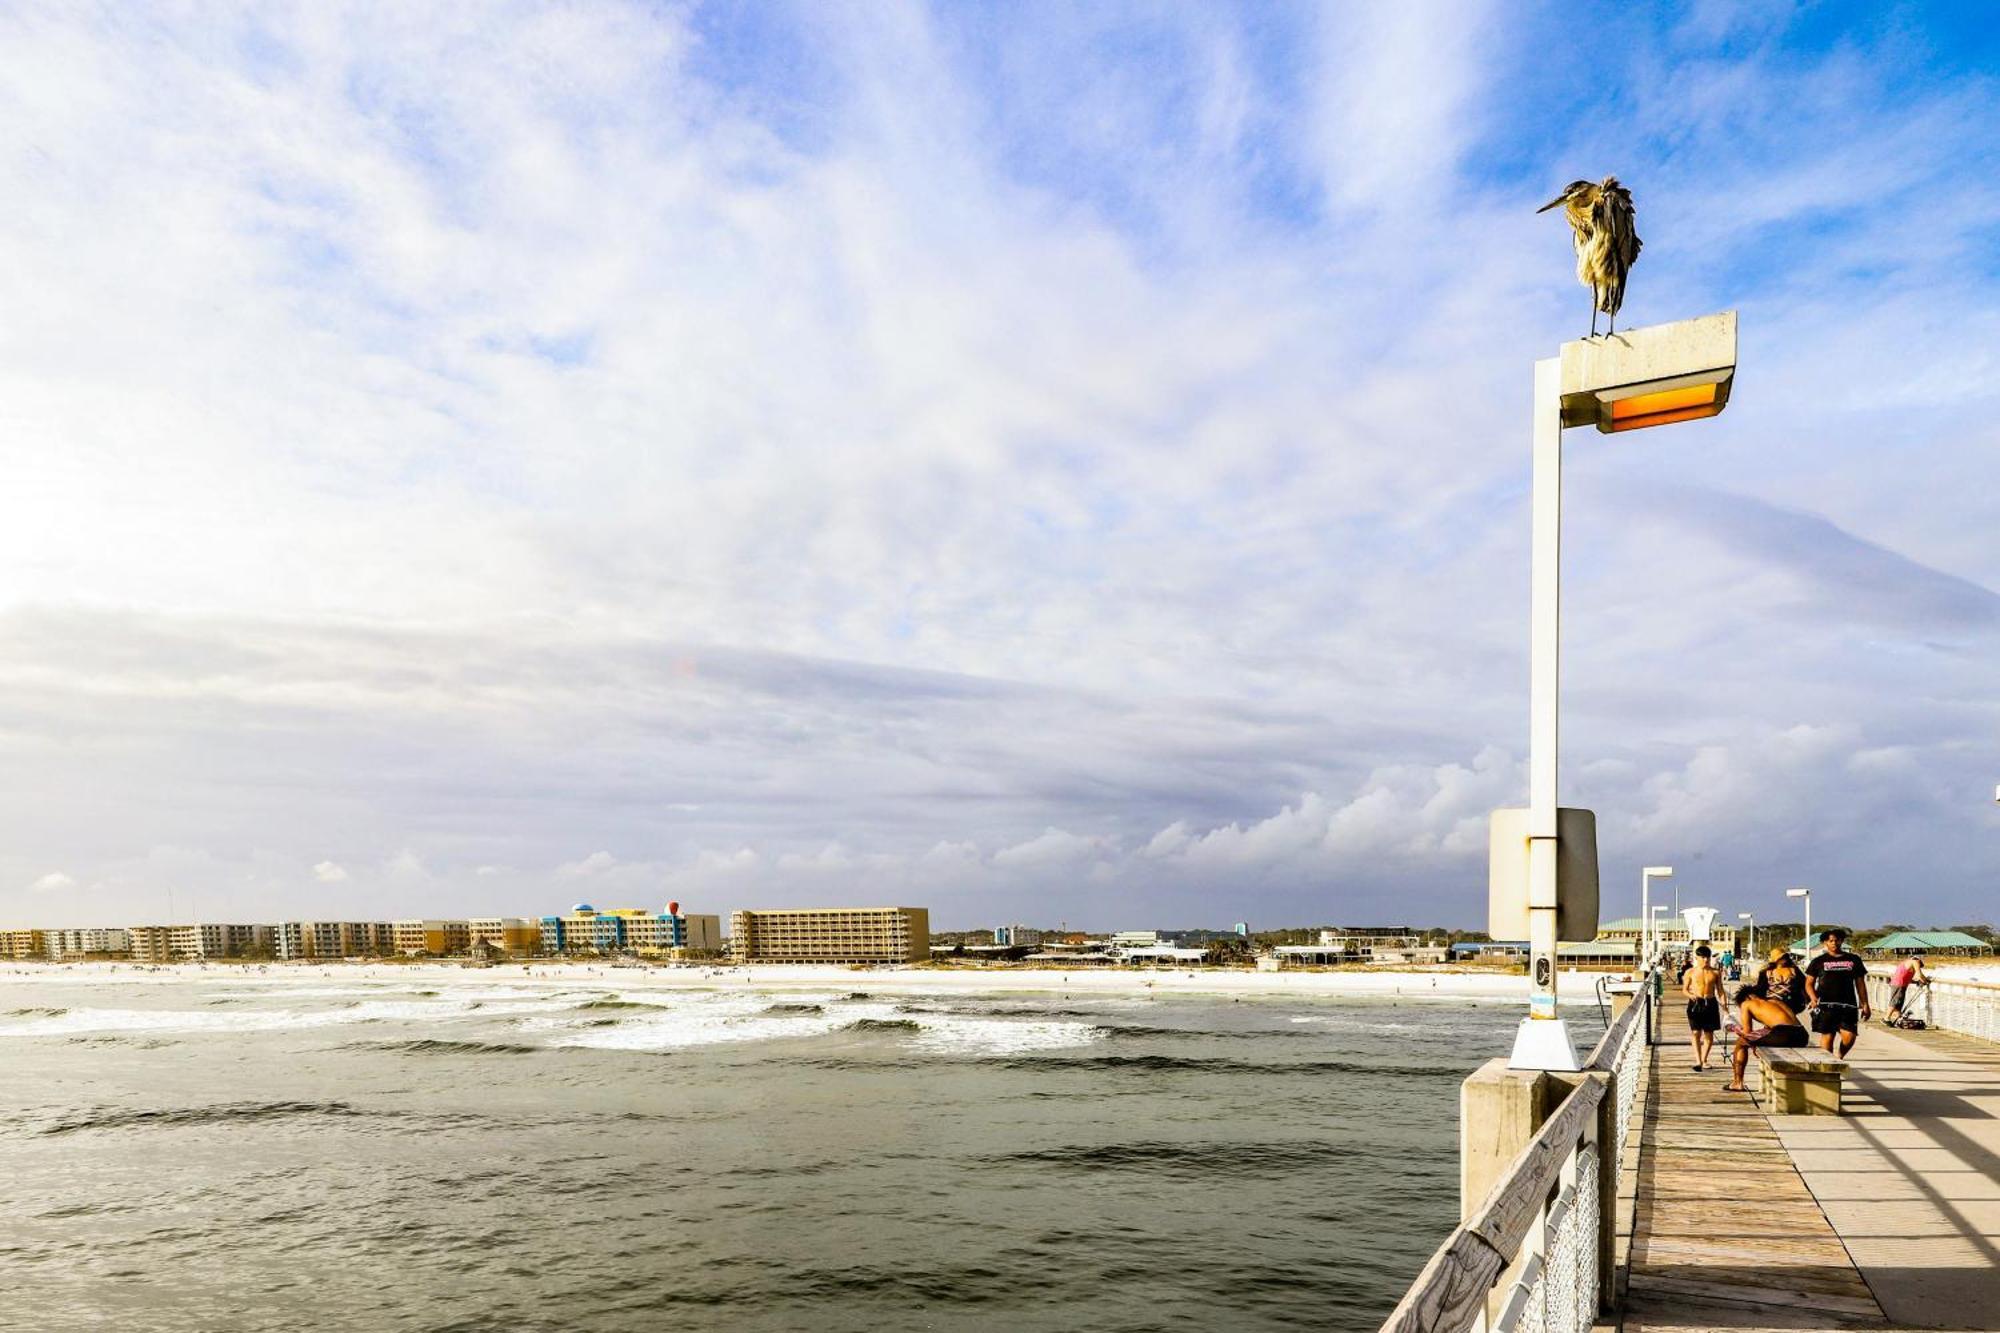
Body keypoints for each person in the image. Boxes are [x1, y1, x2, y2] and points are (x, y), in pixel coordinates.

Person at [1724, 983, 1810, 1092]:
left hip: (1783, 1035)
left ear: (1747, 997)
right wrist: (1757, 1042)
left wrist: (1733, 1028)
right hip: (1802, 1035)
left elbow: (1747, 1033)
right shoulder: (1775, 1001)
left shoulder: (1747, 1003)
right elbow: (1770, 1029)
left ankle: (1737, 1083)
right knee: (1754, 1039)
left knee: (1740, 1043)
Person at [1804, 929, 1870, 1056]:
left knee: (1849, 1036)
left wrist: (1865, 1003)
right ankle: (1828, 1065)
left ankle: (1839, 1057)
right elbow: (1808, 983)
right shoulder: (1818, 961)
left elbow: (1860, 983)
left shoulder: (1854, 959)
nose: (1834, 943)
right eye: (1831, 941)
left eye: (1837, 940)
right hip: (1825, 1005)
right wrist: (1813, 998)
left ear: (1842, 941)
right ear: (1825, 943)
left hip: (1848, 1005)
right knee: (1828, 1036)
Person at [1683, 944, 1724, 1071]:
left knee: (1709, 1035)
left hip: (1710, 1003)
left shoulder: (1715, 972)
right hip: (1696, 1003)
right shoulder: (1690, 972)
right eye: (1703, 957)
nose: (1706, 960)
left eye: (1707, 957)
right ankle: (1698, 1061)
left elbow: (1720, 991)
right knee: (1696, 1032)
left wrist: (1725, 1008)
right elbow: (1684, 989)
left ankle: (1704, 1059)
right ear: (1697, 958)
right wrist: (1690, 995)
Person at [1755, 946, 1808, 1013]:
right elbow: (1760, 989)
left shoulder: (1794, 970)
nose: (1784, 959)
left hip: (1791, 1003)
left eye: (1785, 956)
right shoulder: (1766, 972)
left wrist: (1807, 999)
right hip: (1771, 1003)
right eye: (1782, 957)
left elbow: (1804, 984)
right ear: (1776, 959)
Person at [1888, 950, 1929, 1025]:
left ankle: (1898, 1019)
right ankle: (1886, 1018)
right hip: (1899, 984)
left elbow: (1906, 977)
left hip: (1898, 983)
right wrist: (1926, 981)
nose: (1919, 967)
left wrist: (1917, 982)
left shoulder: (1907, 962)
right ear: (1919, 960)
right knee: (1896, 1001)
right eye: (1920, 966)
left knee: (1899, 1002)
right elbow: (1919, 975)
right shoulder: (1915, 961)